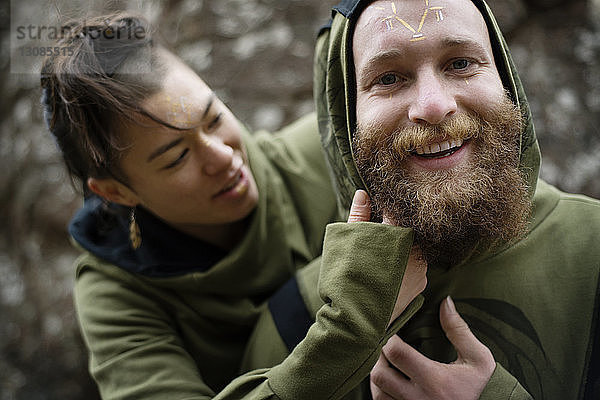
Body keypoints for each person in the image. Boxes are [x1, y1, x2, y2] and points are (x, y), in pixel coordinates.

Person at [41, 13, 427, 400]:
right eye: (176, 157)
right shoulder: (118, 296)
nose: (223, 157)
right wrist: (352, 323)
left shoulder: (330, 152)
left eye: (213, 119)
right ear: (116, 192)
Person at [242, 0, 600, 399]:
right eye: (390, 77)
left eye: (461, 63)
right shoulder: (298, 314)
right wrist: (345, 333)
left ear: (506, 83)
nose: (433, 105)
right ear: (347, 118)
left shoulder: (594, 251)